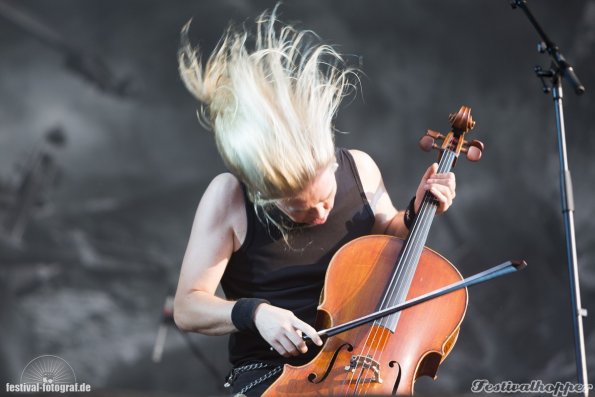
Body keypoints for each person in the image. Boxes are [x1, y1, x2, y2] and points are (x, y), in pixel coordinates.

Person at [173, 8, 456, 396]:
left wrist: (415, 211)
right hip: (269, 371)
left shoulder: (358, 167)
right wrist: (256, 313)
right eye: (301, 210)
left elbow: (388, 235)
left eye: (325, 198)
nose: (322, 213)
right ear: (262, 193)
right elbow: (188, 307)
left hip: (359, 363)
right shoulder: (229, 197)